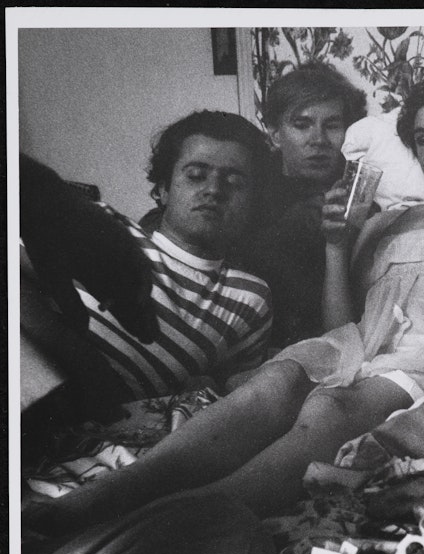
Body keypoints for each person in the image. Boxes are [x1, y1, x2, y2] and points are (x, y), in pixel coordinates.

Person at [24, 71, 424, 540]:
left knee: (330, 408)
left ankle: (185, 518)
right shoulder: (386, 221)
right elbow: (341, 326)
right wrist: (337, 246)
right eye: (422, 138)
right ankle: (108, 495)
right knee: (275, 381)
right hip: (361, 346)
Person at [20, 110, 273, 408]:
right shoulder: (104, 227)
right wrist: (75, 352)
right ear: (164, 189)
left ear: (253, 202)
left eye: (234, 182)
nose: (214, 190)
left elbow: (235, 399)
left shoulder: (251, 298)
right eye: (196, 176)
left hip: (112, 424)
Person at [240, 63, 368, 351]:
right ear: (275, 134)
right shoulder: (250, 189)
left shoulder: (359, 199)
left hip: (332, 347)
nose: (318, 140)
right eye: (302, 125)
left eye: (332, 126)